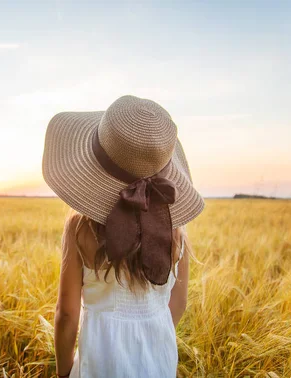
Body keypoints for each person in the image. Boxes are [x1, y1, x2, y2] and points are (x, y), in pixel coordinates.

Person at [42, 95, 205, 378]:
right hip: (158, 359)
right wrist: (149, 342)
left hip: (99, 362)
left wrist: (63, 373)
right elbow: (177, 305)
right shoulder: (176, 231)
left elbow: (66, 316)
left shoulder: (80, 228)